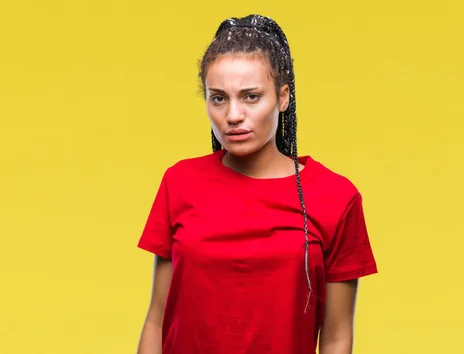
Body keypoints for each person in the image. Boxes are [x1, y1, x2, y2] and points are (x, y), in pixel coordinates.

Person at [136, 14, 378, 354]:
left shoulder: (335, 197)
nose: (233, 115)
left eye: (251, 97)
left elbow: (337, 337)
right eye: (218, 98)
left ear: (282, 97)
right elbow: (156, 320)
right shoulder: (180, 182)